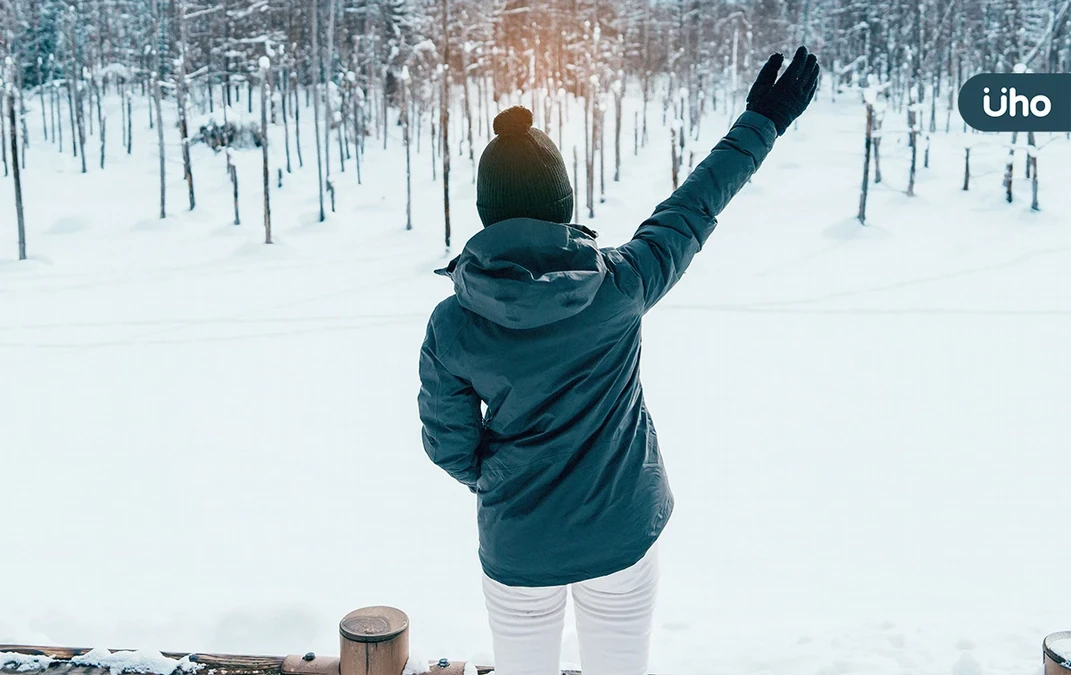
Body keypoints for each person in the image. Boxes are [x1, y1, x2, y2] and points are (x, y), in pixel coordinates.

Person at [418, 46, 820, 675]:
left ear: (486, 212)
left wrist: (500, 483)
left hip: (517, 545)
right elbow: (694, 207)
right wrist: (762, 120)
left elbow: (448, 444)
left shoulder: (454, 323)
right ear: (563, 204)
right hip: (620, 533)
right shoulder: (619, 287)